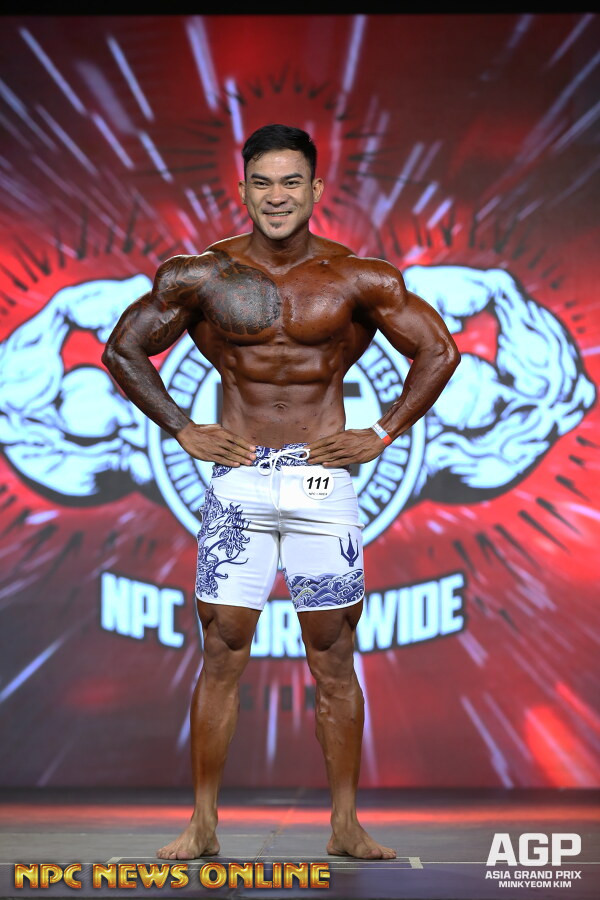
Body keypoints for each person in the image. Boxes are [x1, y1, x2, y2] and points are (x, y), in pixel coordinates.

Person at [102, 123, 460, 860]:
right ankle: (202, 824)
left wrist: (383, 431)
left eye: (290, 182)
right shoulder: (204, 276)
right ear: (242, 190)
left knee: (333, 652)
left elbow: (439, 349)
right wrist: (181, 428)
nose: (276, 196)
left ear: (315, 189)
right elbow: (123, 348)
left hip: (321, 481)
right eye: (262, 183)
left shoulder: (357, 277)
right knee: (222, 647)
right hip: (239, 480)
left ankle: (345, 824)